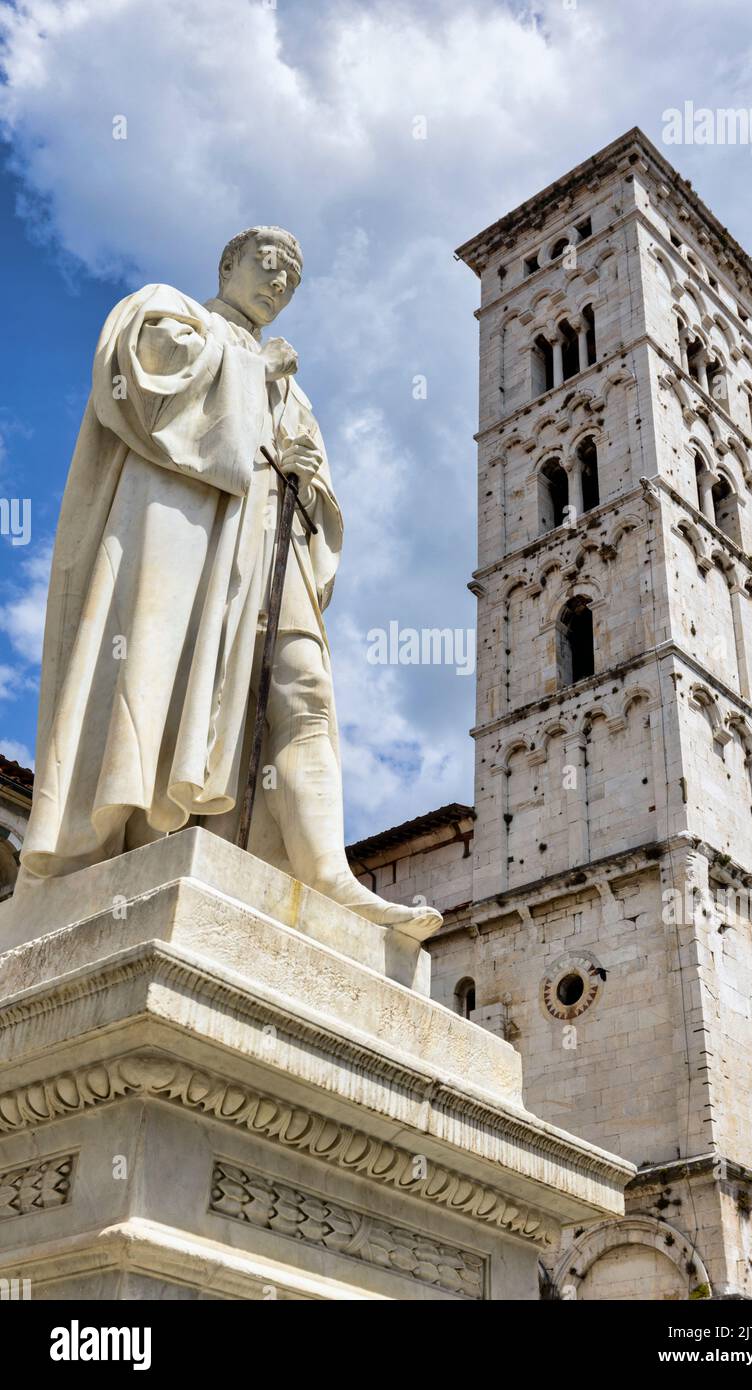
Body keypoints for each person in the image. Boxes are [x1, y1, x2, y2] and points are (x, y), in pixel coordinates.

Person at [18, 225, 442, 941]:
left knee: (305, 688)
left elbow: (316, 501)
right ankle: (135, 835)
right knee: (161, 679)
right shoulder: (171, 308)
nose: (279, 284)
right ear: (228, 263)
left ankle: (327, 873)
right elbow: (143, 373)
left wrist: (309, 478)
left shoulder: (294, 391)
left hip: (273, 555)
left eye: (292, 281)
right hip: (186, 546)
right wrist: (252, 372)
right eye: (268, 266)